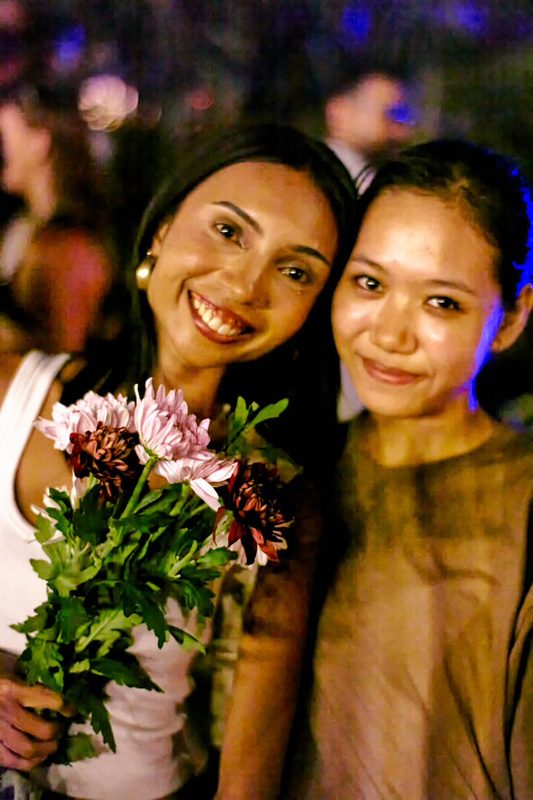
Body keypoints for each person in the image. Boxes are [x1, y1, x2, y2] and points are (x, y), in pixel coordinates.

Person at [0, 122, 358, 800]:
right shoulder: (11, 392)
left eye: (294, 271)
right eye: (228, 231)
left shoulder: (268, 501)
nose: (245, 284)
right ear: (162, 229)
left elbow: (247, 777)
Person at [287, 140, 533, 799]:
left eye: (441, 303)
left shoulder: (523, 499)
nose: (390, 334)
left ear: (510, 318)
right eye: (369, 283)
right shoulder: (290, 475)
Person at [0, 84, 114, 354]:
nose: (1, 152)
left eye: (3, 139)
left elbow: (68, 356)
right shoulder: (24, 228)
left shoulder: (68, 250)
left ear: (40, 143)